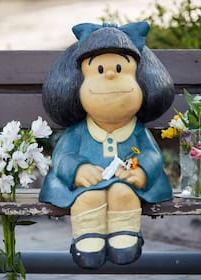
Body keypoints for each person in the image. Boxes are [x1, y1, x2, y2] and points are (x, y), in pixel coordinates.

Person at [39, 22, 174, 269]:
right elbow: (62, 157)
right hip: (85, 187)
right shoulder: (79, 131)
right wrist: (77, 170)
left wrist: (142, 171)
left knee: (123, 194)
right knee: (88, 198)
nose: (110, 75)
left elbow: (152, 155)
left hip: (126, 186)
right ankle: (87, 238)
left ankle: (126, 236)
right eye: (99, 69)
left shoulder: (137, 130)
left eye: (120, 68)